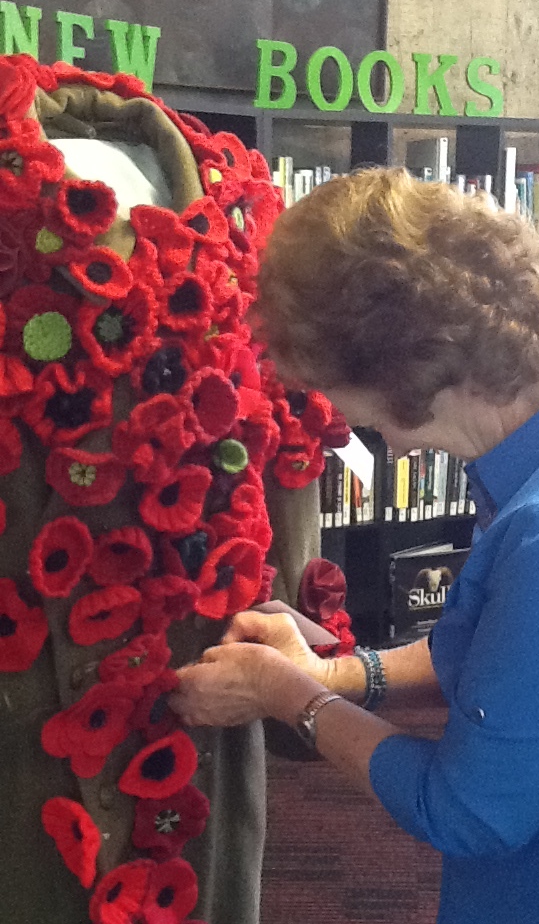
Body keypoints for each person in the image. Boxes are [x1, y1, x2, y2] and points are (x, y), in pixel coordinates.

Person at [171, 166, 539, 924]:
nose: (387, 444)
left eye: (363, 414)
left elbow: (466, 810)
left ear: (415, 376)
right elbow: (519, 660)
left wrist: (288, 693)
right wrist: (338, 671)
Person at [0, 54, 336, 924]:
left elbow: (288, 444)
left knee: (199, 877)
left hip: (199, 669)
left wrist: (299, 637)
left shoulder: (243, 211)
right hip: (23, 683)